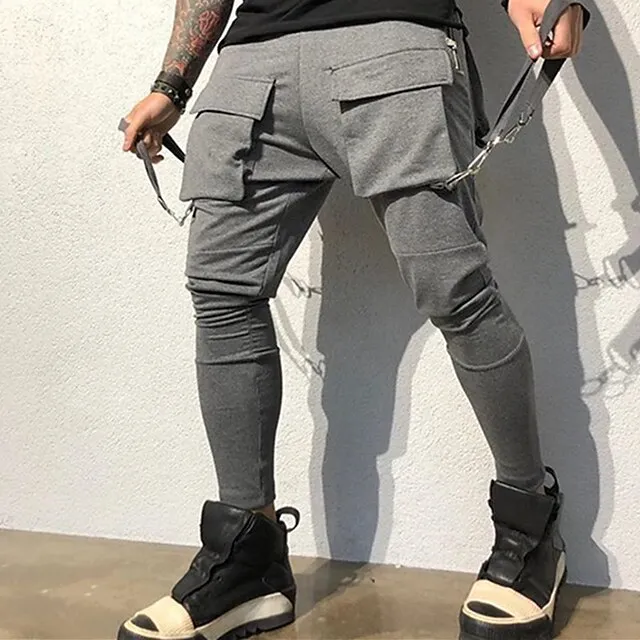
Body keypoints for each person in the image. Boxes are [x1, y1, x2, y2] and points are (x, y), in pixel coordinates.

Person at [118, 1, 585, 639]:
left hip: (393, 40)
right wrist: (173, 81)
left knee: (456, 292)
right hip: (252, 60)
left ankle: (529, 532)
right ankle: (247, 558)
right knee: (222, 293)